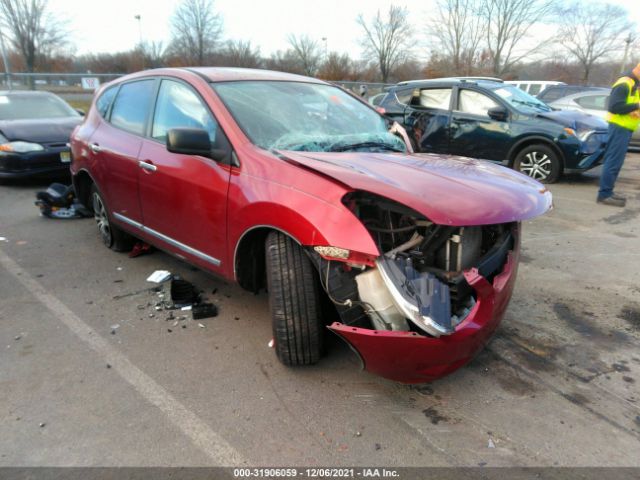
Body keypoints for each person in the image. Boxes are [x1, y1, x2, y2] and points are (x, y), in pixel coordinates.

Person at [597, 63, 640, 207]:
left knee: (616, 162)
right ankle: (604, 195)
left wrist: (632, 109)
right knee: (613, 162)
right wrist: (636, 106)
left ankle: (608, 192)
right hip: (618, 128)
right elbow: (614, 107)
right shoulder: (625, 83)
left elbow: (624, 106)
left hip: (624, 129)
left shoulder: (634, 83)